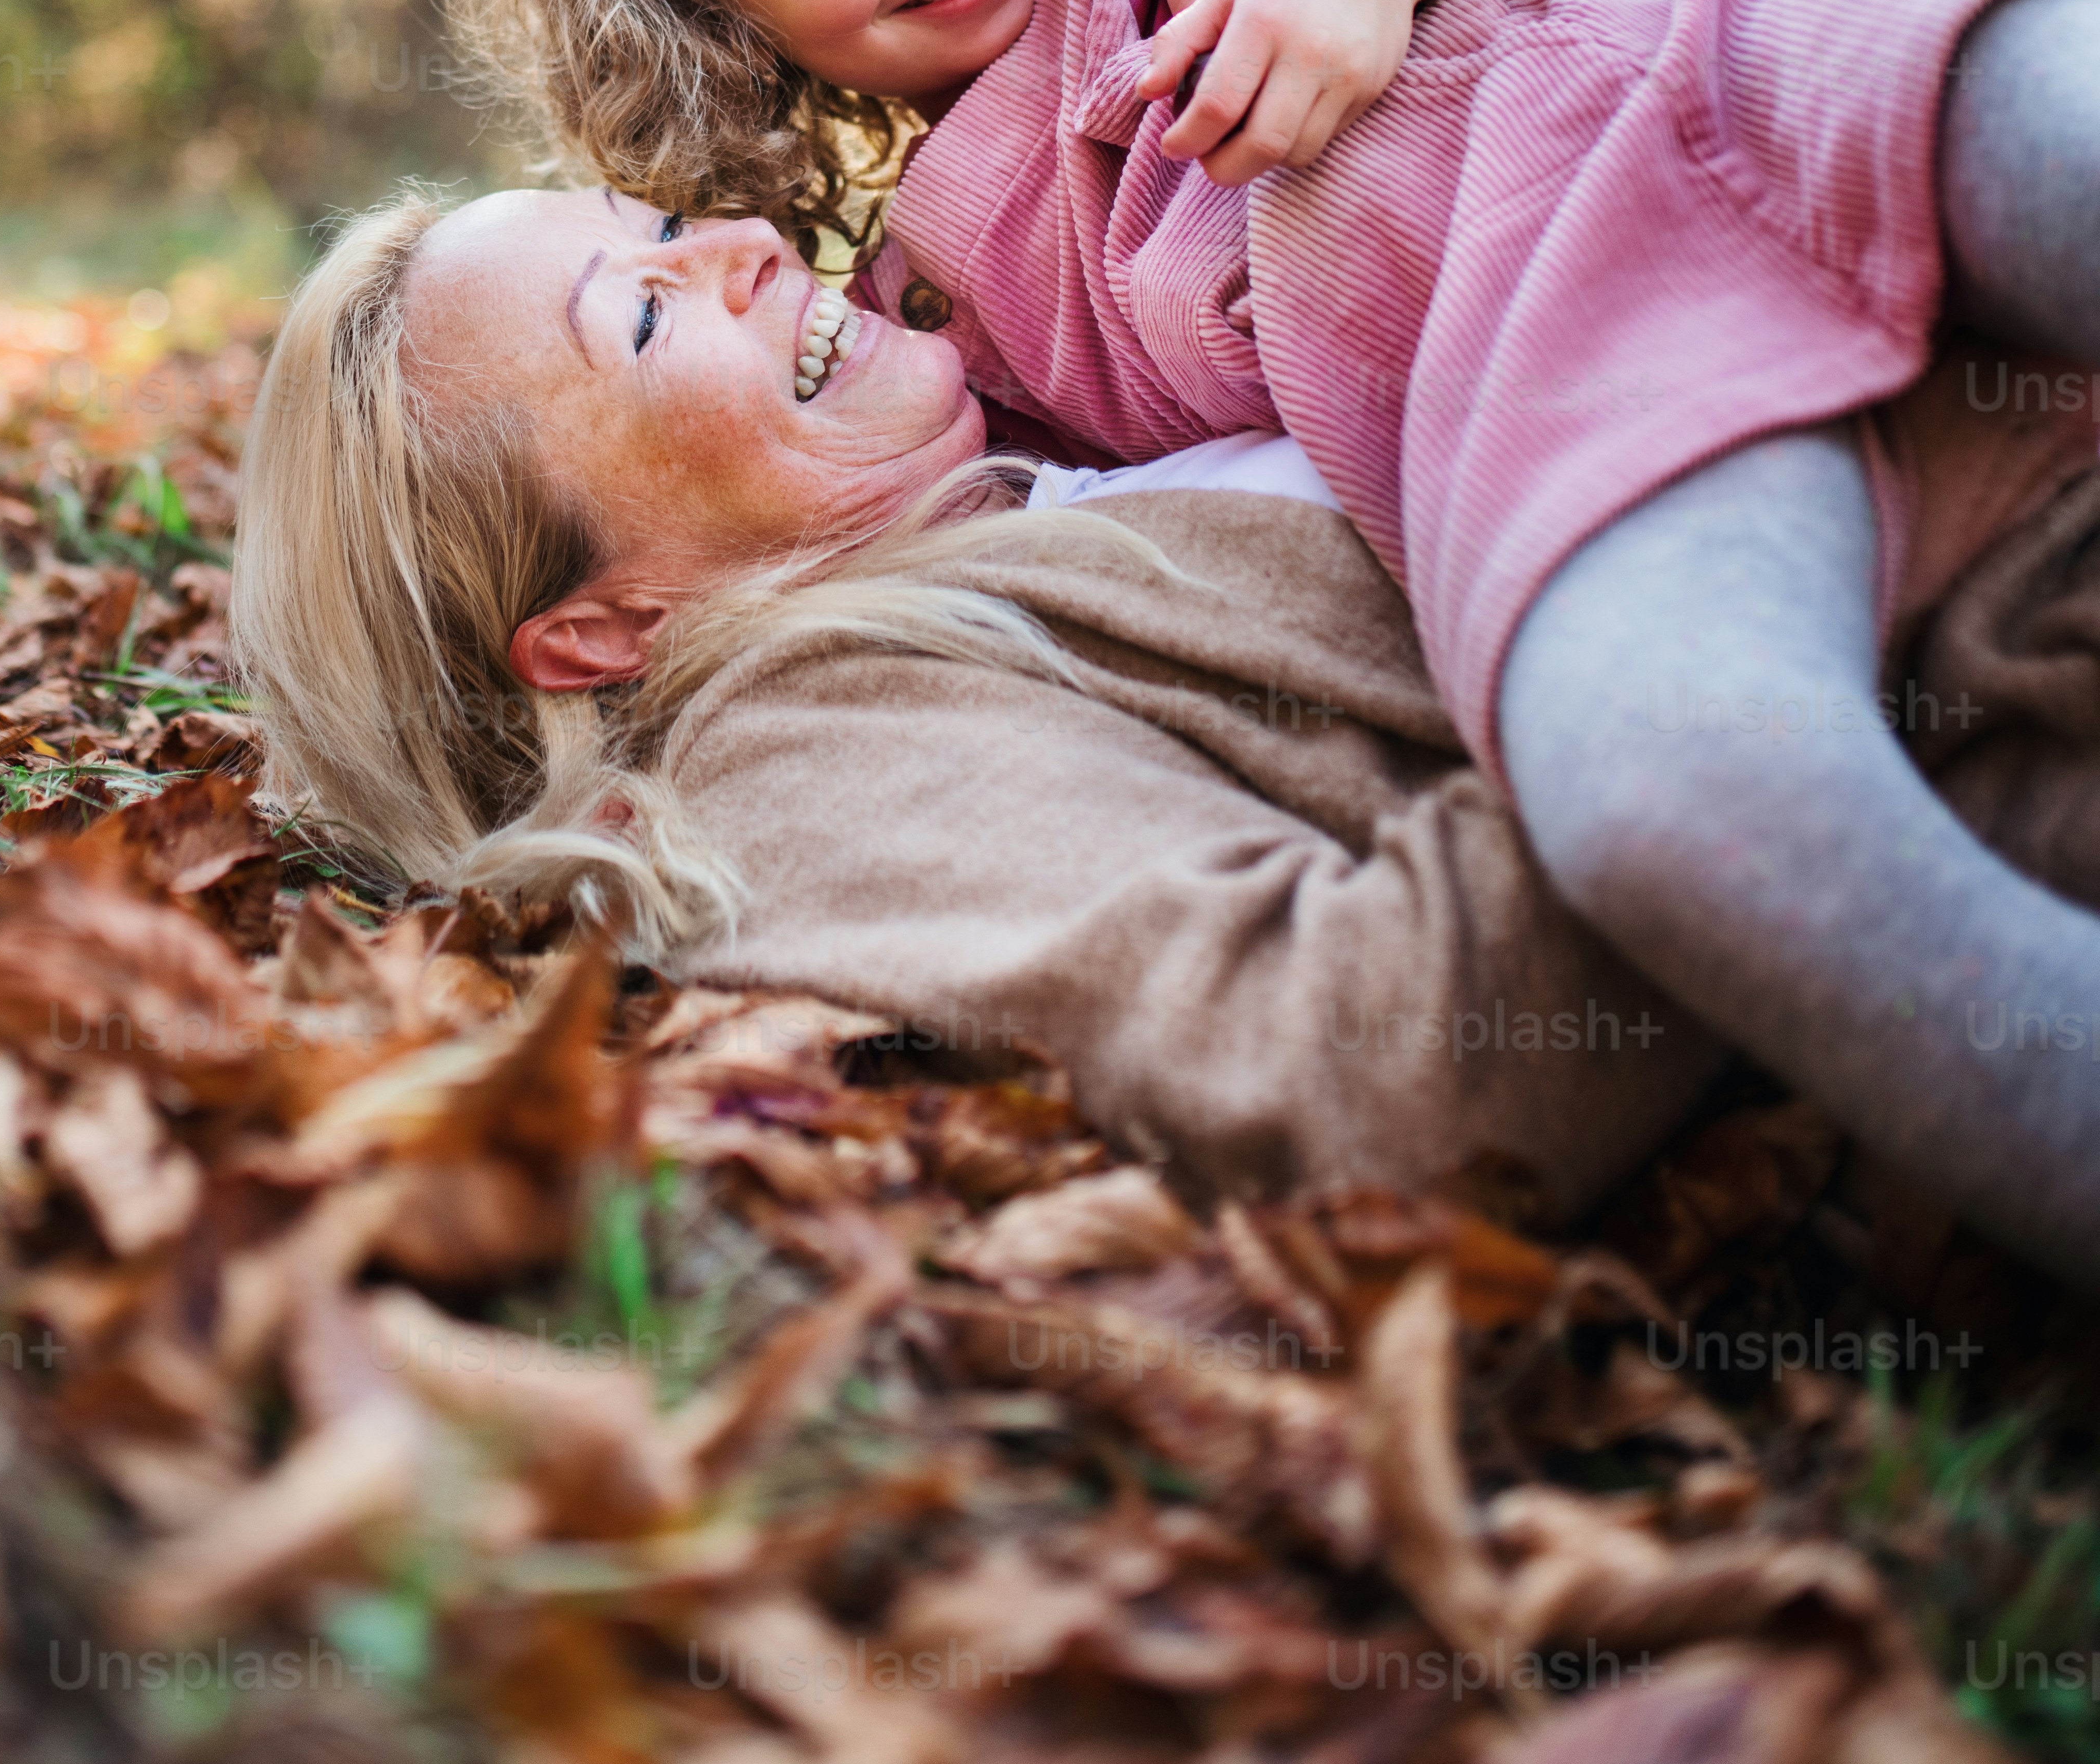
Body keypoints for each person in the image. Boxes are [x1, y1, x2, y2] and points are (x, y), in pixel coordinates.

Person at [435, 0, 2100, 1265]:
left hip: (1780, 46)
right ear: (712, 9)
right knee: (1668, 792)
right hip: (1593, 395)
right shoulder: (949, 335)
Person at [229, 177, 2100, 1269]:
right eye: (638, 318)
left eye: (658, 224)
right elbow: (1361, 1070)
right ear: (598, 629)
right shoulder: (798, 743)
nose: (733, 240)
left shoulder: (1047, 418)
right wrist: (1716, 507)